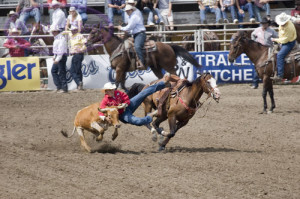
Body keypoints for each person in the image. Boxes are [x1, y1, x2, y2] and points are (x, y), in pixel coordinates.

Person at [98, 74, 180, 126]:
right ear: (107, 91)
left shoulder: (117, 93)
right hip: (122, 115)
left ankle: (162, 83)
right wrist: (105, 118)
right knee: (137, 121)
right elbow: (100, 112)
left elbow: (125, 97)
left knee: (143, 93)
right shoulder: (105, 100)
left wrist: (125, 103)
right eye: (110, 90)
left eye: (112, 89)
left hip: (128, 105)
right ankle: (149, 117)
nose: (112, 90)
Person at [250, 17, 278, 88]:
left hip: (268, 48)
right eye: (263, 23)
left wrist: (275, 42)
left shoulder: (271, 31)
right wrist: (254, 43)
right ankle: (255, 83)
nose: (264, 25)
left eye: (265, 23)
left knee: (267, 63)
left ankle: (266, 80)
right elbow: (252, 35)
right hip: (259, 49)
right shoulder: (257, 30)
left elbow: (277, 37)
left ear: (267, 24)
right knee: (257, 65)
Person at [118, 5, 146, 70]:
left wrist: (121, 28)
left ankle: (142, 62)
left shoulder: (134, 17)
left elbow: (130, 27)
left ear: (131, 10)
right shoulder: (131, 17)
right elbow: (131, 29)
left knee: (137, 46)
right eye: (126, 11)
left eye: (127, 11)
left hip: (140, 34)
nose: (127, 12)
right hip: (136, 34)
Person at [271, 13, 297, 81]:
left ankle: (280, 75)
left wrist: (275, 40)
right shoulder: (284, 24)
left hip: (289, 43)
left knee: (280, 55)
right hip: (284, 40)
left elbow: (285, 40)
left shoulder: (289, 27)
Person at [51, 26, 68, 93]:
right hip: (59, 56)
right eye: (52, 31)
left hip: (61, 56)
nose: (53, 32)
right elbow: (57, 49)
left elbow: (61, 49)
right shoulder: (58, 38)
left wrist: (57, 59)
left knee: (61, 72)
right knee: (55, 71)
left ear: (57, 31)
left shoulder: (61, 38)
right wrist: (54, 56)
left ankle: (63, 88)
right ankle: (59, 86)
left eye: (54, 31)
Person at [69, 25, 87, 90]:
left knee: (73, 70)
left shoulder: (79, 36)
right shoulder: (73, 36)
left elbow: (85, 44)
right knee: (78, 70)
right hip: (77, 54)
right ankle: (79, 84)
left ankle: (79, 82)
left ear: (76, 30)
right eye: (72, 30)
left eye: (74, 30)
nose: (72, 31)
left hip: (77, 54)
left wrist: (81, 49)